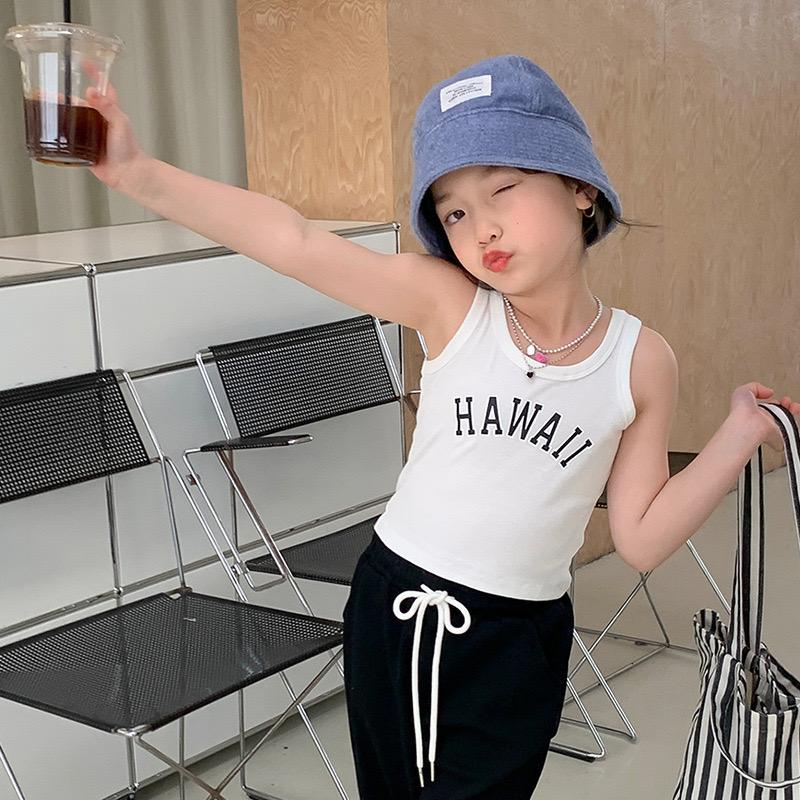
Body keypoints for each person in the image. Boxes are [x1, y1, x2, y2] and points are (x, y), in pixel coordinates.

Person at [85, 53, 797, 800]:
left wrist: (737, 436)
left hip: (523, 637)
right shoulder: (451, 305)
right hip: (401, 606)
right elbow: (295, 243)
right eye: (454, 212)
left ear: (580, 188)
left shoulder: (641, 360)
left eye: (503, 189)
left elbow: (642, 538)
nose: (481, 227)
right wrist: (138, 173)